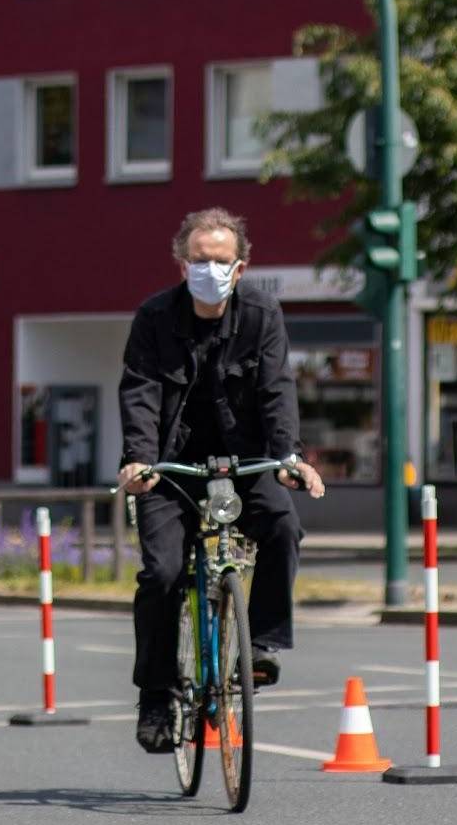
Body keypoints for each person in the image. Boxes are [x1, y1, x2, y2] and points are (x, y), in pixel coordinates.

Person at [117, 208, 326, 755]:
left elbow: (278, 388)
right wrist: (139, 461)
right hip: (172, 464)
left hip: (247, 456)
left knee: (283, 526)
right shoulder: (154, 317)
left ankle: (260, 645)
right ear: (182, 264)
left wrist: (288, 458)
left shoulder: (261, 313)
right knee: (162, 573)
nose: (212, 269)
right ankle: (158, 695)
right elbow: (139, 390)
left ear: (242, 265)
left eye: (222, 261)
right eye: (201, 260)